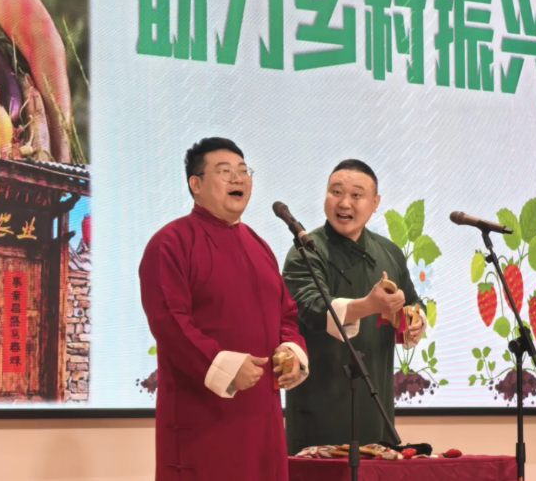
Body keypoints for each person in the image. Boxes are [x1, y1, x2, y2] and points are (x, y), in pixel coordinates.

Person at [139, 137, 309, 481]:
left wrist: (291, 351)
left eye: (244, 171)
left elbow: (286, 315)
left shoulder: (259, 245)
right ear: (196, 184)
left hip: (263, 418)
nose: (238, 179)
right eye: (224, 171)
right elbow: (169, 322)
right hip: (202, 417)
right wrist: (224, 365)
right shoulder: (170, 242)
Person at [282, 159, 426, 455]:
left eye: (356, 195)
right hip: (320, 405)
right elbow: (312, 308)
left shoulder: (389, 251)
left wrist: (415, 320)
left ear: (375, 203)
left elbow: (412, 301)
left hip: (375, 402)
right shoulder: (305, 251)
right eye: (335, 192)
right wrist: (368, 305)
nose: (344, 203)